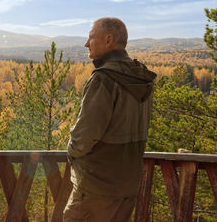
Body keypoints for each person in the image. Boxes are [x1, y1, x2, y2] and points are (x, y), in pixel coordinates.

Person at [64, 17, 156, 222]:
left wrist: (71, 150)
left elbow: (84, 136)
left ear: (108, 40)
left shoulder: (104, 79)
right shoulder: (141, 79)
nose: (86, 43)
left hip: (96, 189)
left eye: (91, 37)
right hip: (126, 188)